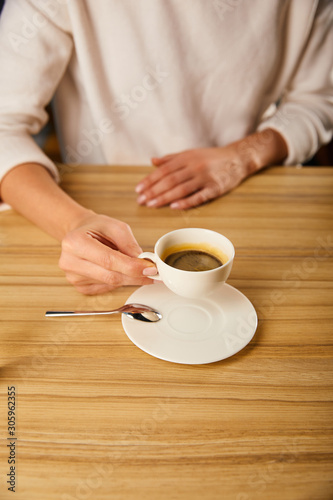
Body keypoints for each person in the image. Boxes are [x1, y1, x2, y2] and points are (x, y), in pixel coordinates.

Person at [0, 0, 332, 295]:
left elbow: (317, 100)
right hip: (100, 201)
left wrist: (244, 156)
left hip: (255, 193)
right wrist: (73, 224)